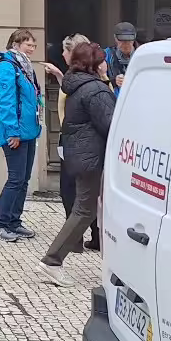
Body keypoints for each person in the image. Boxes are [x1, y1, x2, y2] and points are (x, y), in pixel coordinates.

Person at [37, 41, 115, 286]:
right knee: (84, 209)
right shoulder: (96, 90)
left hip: (80, 153)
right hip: (91, 156)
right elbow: (111, 124)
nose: (106, 63)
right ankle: (52, 260)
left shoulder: (76, 83)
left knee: (88, 209)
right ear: (94, 63)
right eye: (102, 59)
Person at [0, 29, 45, 243]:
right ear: (15, 44)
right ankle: (1, 223)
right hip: (16, 132)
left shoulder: (24, 67)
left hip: (29, 130)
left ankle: (14, 220)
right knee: (15, 178)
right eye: (28, 44)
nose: (31, 48)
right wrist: (13, 131)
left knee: (23, 179)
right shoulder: (6, 67)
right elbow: (5, 102)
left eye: (33, 45)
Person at [57, 34, 101, 251]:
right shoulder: (87, 82)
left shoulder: (82, 83)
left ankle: (65, 248)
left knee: (75, 194)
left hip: (77, 143)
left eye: (65, 51)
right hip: (81, 142)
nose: (62, 55)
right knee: (86, 196)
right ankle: (89, 238)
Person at [105, 22, 137, 92]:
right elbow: (98, 81)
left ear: (134, 38)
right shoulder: (106, 55)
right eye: (122, 40)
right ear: (115, 38)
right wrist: (113, 81)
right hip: (115, 99)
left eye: (129, 40)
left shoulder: (142, 54)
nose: (125, 43)